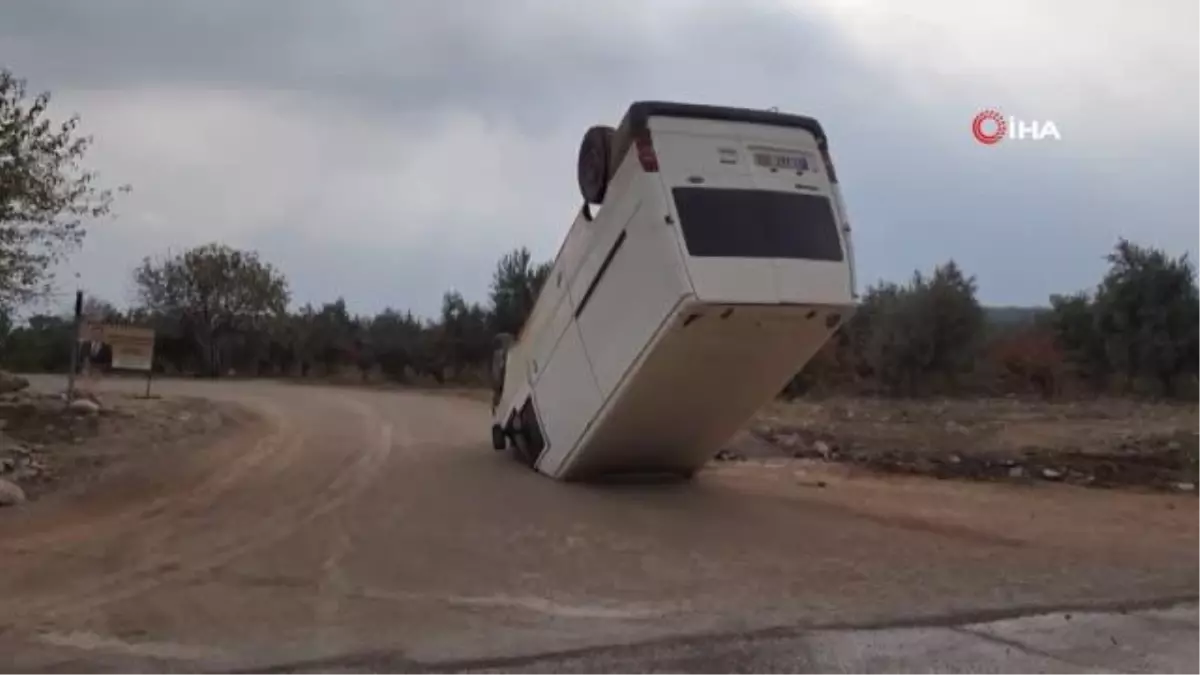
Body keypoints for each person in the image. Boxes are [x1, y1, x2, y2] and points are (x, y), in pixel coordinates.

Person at [491, 333, 514, 412]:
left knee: (498, 392)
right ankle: (496, 407)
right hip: (501, 376)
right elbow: (500, 366)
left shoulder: (498, 353)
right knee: (499, 392)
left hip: (499, 376)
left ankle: (496, 407)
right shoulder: (502, 353)